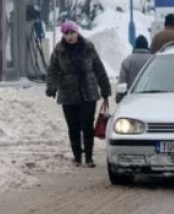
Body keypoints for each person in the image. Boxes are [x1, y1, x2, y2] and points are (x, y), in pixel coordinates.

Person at [46, 20, 111, 168]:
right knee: (73, 126)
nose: (70, 36)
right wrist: (51, 87)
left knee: (87, 124)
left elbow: (99, 69)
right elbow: (52, 70)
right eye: (67, 33)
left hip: (88, 92)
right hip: (68, 94)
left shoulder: (88, 47)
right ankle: (77, 157)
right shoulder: (59, 50)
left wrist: (105, 90)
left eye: (72, 33)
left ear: (77, 32)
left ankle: (88, 157)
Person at [117, 35, 152, 103]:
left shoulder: (127, 60)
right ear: (147, 46)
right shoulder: (153, 60)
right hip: (150, 98)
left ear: (135, 46)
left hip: (131, 100)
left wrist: (118, 98)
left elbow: (122, 83)